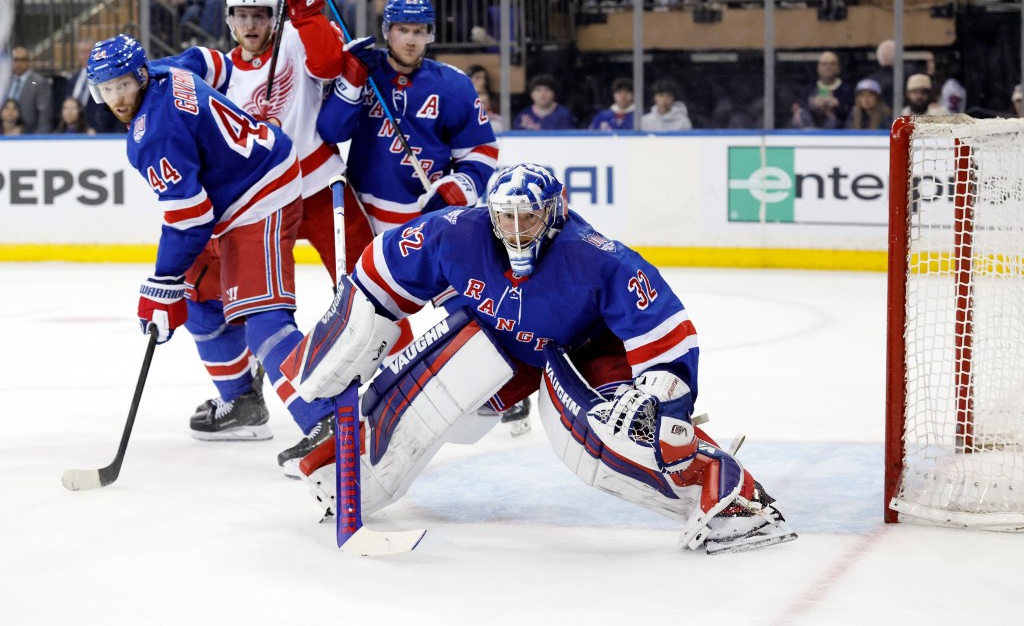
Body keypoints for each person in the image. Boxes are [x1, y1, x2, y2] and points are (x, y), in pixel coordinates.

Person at [296, 163, 798, 554]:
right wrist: (358, 324)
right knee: (415, 397)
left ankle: (734, 498)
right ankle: (348, 475)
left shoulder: (597, 257)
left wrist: (659, 393)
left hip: (585, 350)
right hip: (501, 346)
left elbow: (667, 334)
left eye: (527, 217)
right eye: (504, 217)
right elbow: (382, 269)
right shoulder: (458, 233)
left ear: (553, 213)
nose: (514, 229)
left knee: (620, 431)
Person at [151, 0, 370, 472]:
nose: (252, 24)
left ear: (275, 16)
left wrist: (309, 1)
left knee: (365, 289)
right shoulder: (216, 72)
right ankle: (241, 399)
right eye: (243, 15)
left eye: (261, 14)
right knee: (201, 290)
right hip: (254, 204)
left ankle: (383, 385)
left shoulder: (295, 40)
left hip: (316, 188)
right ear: (229, 20)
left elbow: (329, 60)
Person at [85, 33, 338, 469]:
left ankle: (329, 421)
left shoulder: (153, 136)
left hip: (262, 194)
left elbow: (190, 219)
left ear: (141, 76)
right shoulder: (169, 69)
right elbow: (212, 61)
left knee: (263, 321)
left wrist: (160, 282)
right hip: (232, 197)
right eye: (107, 89)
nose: (117, 98)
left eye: (123, 85)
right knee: (199, 296)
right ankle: (241, 404)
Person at [316, 0, 499, 239]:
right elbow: (332, 132)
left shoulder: (453, 85)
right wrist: (351, 78)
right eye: (402, 30)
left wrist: (459, 188)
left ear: (429, 34)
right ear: (387, 31)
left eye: (419, 31)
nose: (410, 40)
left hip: (426, 218)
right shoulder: (364, 69)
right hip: (362, 215)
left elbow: (481, 149)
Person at [65, 39, 120, 133]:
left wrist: (97, 130)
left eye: (89, 52)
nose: (86, 55)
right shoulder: (72, 80)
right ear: (77, 55)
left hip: (98, 134)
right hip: (73, 134)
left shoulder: (107, 79)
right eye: (82, 52)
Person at [790, 50, 853, 129]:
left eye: (832, 64)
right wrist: (812, 105)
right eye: (824, 64)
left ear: (838, 68)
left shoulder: (848, 90)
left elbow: (854, 114)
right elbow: (798, 109)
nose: (828, 67)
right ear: (818, 68)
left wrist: (838, 105)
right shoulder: (808, 89)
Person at [6, 46, 53, 133]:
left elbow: (44, 114)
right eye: (15, 60)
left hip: (29, 133)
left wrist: (39, 137)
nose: (19, 63)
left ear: (29, 61)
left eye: (23, 60)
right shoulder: (6, 82)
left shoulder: (38, 82)